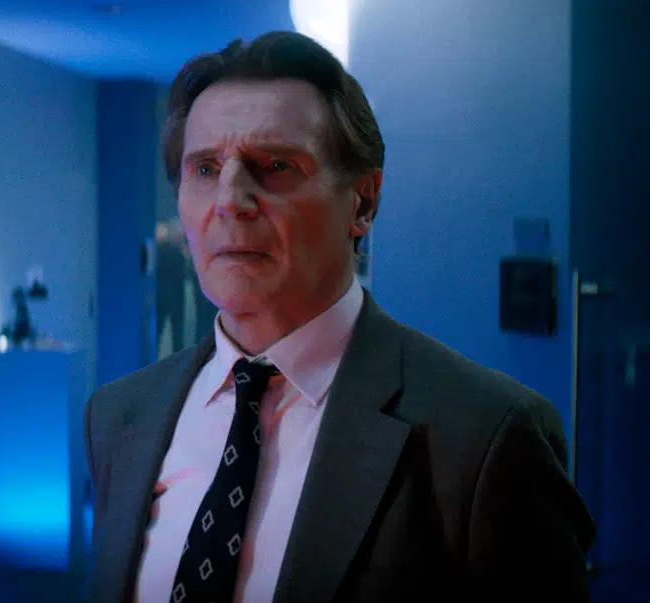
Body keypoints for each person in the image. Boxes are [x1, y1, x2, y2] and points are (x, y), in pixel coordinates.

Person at [82, 31, 594, 603]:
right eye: (205, 169)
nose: (229, 200)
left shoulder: (485, 437)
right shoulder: (120, 416)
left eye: (274, 165)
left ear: (362, 202)